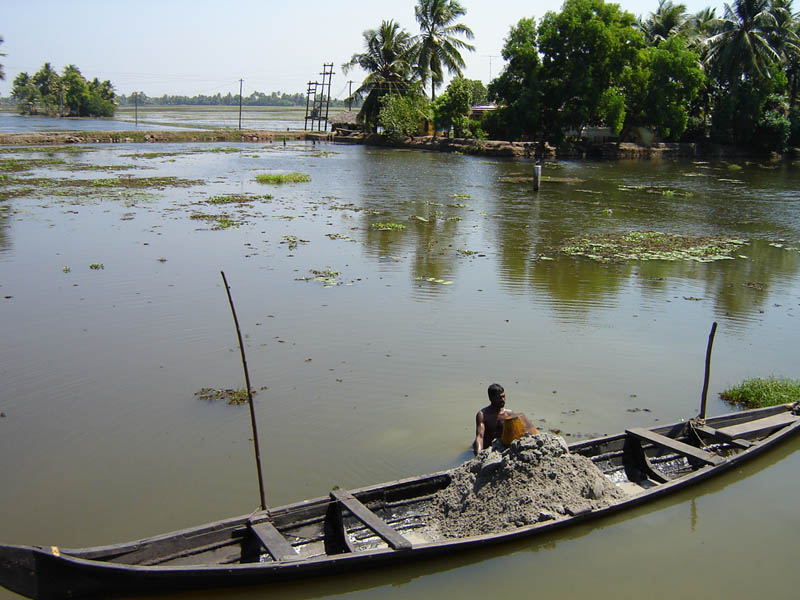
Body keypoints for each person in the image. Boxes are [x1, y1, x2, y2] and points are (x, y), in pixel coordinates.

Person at [473, 383, 512, 455]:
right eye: (499, 398)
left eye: (503, 396)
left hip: (500, 447)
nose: (503, 400)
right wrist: (478, 455)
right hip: (486, 448)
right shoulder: (483, 415)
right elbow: (480, 437)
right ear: (491, 399)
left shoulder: (509, 414)